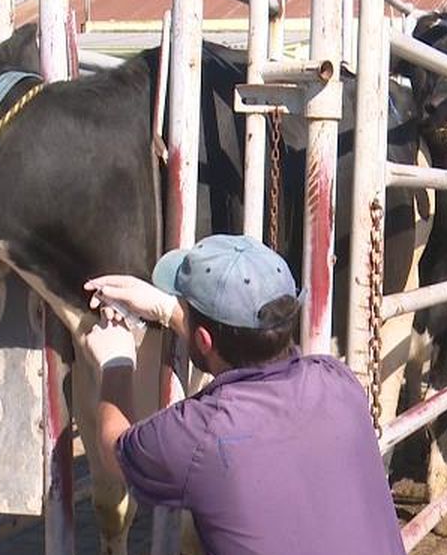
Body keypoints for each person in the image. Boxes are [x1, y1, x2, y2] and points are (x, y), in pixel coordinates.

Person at [83, 234, 405, 555]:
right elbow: (237, 355)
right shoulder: (337, 380)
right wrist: (168, 311)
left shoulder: (200, 431)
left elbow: (114, 450)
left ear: (204, 340)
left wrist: (116, 362)